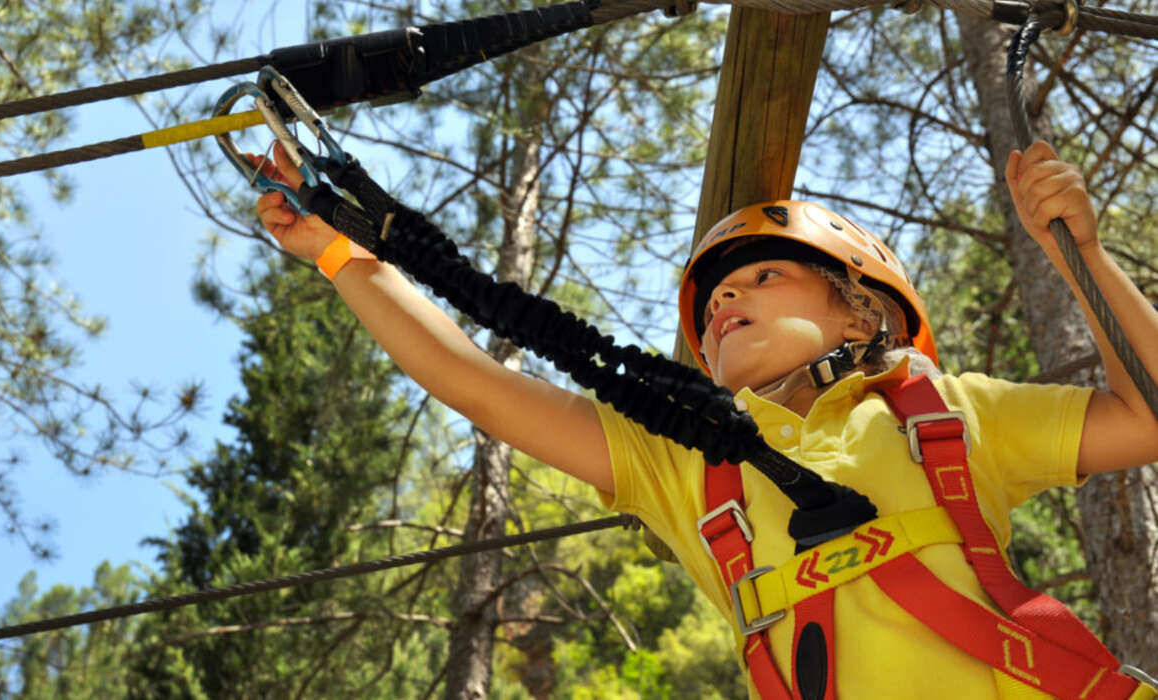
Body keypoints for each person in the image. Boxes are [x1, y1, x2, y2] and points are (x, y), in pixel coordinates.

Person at [249, 139, 1158, 699]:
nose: (726, 299)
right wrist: (336, 249)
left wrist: (1076, 252)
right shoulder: (685, 462)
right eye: (716, 296)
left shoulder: (947, 412)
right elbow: (475, 382)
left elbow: (1147, 415)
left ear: (860, 316)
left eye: (765, 276)